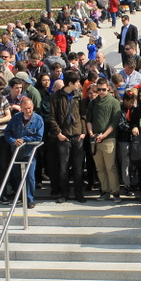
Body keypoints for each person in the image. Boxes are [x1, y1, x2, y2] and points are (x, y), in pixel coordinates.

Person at [49, 69, 86, 203]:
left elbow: (83, 115)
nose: (79, 84)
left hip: (77, 135)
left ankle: (79, 193)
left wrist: (83, 132)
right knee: (63, 167)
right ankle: (64, 193)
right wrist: (58, 133)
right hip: (63, 135)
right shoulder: (56, 96)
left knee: (78, 168)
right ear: (70, 83)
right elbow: (52, 117)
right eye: (77, 82)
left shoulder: (79, 96)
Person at [4, 96, 44, 209]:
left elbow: (38, 137)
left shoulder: (38, 119)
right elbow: (7, 132)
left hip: (29, 152)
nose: (28, 110)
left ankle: (30, 199)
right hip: (16, 151)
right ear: (21, 108)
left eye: (30, 108)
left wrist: (24, 140)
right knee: (16, 175)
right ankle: (19, 196)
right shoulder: (16, 118)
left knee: (30, 176)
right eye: (26, 108)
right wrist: (13, 141)